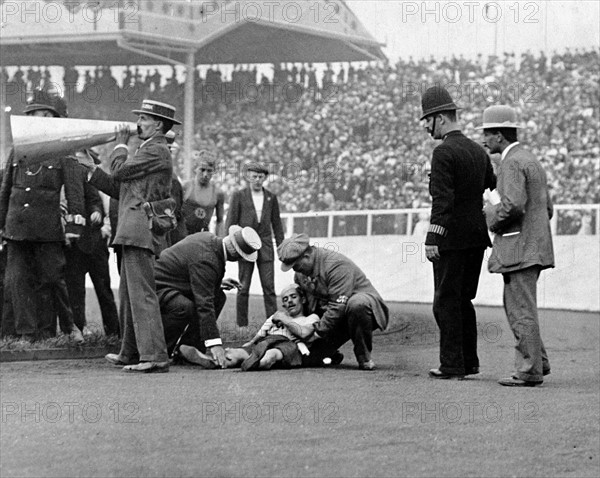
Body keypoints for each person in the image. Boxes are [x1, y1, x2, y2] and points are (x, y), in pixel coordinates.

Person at [84, 99, 181, 373]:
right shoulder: (148, 149)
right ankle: (130, 352)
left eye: (144, 118)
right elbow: (122, 190)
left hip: (140, 229)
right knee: (129, 296)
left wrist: (120, 144)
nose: (138, 122)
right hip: (133, 228)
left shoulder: (157, 150)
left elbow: (119, 171)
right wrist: (92, 170)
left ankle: (155, 355)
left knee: (142, 296)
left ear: (158, 125)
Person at [419, 85, 496, 380]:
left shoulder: (443, 153)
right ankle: (469, 362)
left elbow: (443, 201)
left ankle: (451, 364)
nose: (426, 126)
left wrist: (433, 237)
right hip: (476, 238)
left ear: (440, 118)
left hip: (451, 239)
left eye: (427, 119)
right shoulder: (479, 150)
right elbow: (492, 187)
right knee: (464, 300)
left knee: (446, 301)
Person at [0, 89, 85, 343]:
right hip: (16, 227)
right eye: (36, 114)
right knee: (17, 281)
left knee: (53, 278)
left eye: (46, 115)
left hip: (47, 229)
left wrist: (74, 227)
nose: (41, 118)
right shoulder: (17, 151)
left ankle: (67, 328)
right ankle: (26, 333)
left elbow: (75, 194)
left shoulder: (64, 151)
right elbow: (5, 190)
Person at [479, 105, 555, 387]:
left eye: (486, 134)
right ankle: (539, 361)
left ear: (499, 135)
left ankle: (529, 370)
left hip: (519, 249)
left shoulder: (510, 163)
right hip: (534, 246)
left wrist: (489, 217)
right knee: (523, 308)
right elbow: (547, 207)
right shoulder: (530, 159)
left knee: (519, 310)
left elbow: (512, 206)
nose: (484, 140)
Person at [151, 226, 262, 368]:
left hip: (173, 283)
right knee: (184, 307)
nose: (240, 260)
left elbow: (192, 271)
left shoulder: (209, 239)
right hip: (158, 287)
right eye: (241, 257)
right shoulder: (208, 259)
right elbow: (205, 304)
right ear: (235, 253)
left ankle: (189, 348)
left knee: (219, 297)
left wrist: (216, 282)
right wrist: (215, 344)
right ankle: (160, 352)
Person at [277, 233, 389, 370]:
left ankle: (364, 357)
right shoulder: (300, 274)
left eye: (296, 266)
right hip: (333, 314)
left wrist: (317, 333)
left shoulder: (336, 265)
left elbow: (338, 306)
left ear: (306, 257)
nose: (295, 270)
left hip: (359, 309)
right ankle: (332, 354)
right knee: (309, 359)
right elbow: (306, 305)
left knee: (357, 304)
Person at [189, 283, 320, 371]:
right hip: (268, 341)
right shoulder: (277, 317)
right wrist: (252, 342)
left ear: (302, 300)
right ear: (284, 306)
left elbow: (304, 332)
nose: (289, 301)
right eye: (285, 300)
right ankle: (213, 361)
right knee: (237, 352)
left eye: (293, 297)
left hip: (288, 345)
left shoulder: (310, 318)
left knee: (272, 355)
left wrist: (284, 319)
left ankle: (256, 362)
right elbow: (264, 330)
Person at [64, 149, 119, 337]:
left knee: (104, 291)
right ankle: (77, 329)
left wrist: (96, 212)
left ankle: (114, 332)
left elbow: (95, 201)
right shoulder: (63, 179)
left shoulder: (88, 179)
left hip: (94, 243)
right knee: (76, 292)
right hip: (75, 246)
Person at [226, 163, 284, 327]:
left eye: (260, 177)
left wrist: (281, 247)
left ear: (265, 178)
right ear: (248, 177)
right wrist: (231, 246)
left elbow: (277, 224)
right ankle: (241, 324)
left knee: (269, 288)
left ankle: (273, 323)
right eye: (254, 176)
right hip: (245, 246)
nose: (257, 180)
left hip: (265, 247)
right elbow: (231, 221)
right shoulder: (239, 195)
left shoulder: (271, 197)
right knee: (243, 287)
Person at [181, 150, 225, 236]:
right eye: (202, 170)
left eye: (209, 171)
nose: (205, 174)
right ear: (195, 169)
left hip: (203, 236)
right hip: (182, 236)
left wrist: (220, 242)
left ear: (214, 171)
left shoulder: (218, 193)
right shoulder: (185, 187)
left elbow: (220, 222)